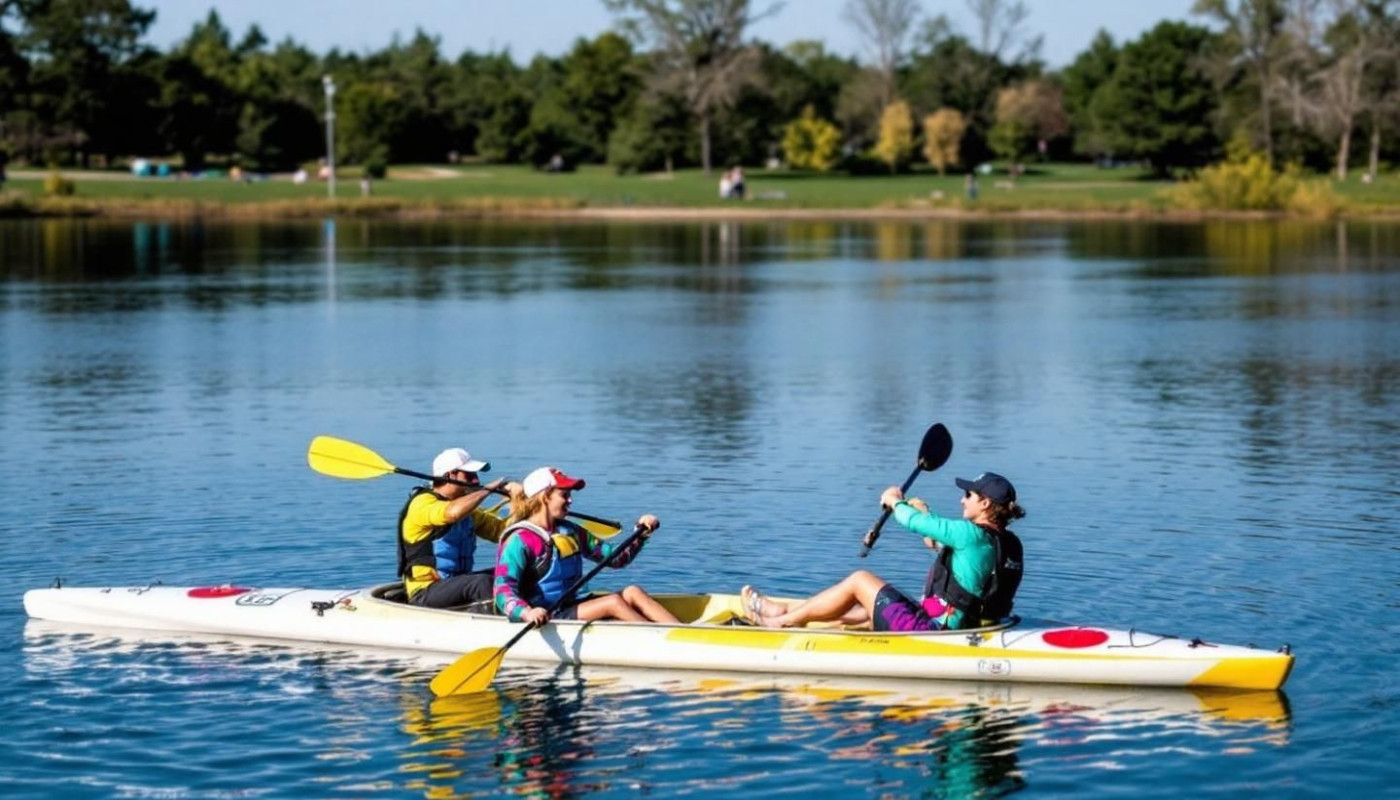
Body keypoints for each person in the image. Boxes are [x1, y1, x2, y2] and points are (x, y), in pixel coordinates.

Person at [742, 473, 1025, 632]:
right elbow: (937, 542)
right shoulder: (1007, 543)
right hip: (972, 626)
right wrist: (924, 512)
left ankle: (779, 623)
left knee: (859, 580)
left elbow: (912, 522)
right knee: (868, 609)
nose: (962, 499)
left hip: (935, 633)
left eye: (969, 496)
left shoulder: (968, 533)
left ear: (985, 504)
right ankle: (787, 611)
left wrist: (893, 501)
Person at [494, 466, 679, 625]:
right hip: (549, 612)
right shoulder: (519, 540)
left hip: (575, 604)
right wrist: (527, 613)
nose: (570, 501)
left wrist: (641, 534)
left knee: (632, 592)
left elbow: (616, 559)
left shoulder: (571, 531)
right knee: (612, 602)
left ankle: (682, 632)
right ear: (545, 497)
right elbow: (503, 591)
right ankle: (658, 640)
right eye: (564, 495)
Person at [398, 447, 514, 608]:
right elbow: (452, 513)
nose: (475, 481)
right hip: (425, 592)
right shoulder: (422, 504)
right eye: (469, 475)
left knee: (511, 572)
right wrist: (488, 490)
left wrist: (522, 503)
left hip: (456, 584)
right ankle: (503, 619)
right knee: (480, 583)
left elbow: (505, 533)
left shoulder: (469, 511)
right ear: (450, 475)